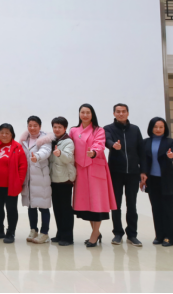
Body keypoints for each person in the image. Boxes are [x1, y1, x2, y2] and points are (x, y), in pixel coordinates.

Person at [70, 104, 117, 248]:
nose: (85, 115)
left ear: (92, 114)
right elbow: (70, 147)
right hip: (80, 169)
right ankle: (96, 232)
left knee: (97, 202)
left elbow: (99, 145)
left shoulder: (99, 130)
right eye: (82, 112)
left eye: (88, 112)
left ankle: (95, 233)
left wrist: (94, 152)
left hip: (95, 168)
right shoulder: (73, 130)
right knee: (87, 204)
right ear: (79, 114)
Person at [104, 103, 145, 247]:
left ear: (127, 113)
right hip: (115, 172)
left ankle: (132, 235)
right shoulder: (108, 128)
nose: (121, 114)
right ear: (114, 113)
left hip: (133, 173)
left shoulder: (135, 129)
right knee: (116, 205)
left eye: (123, 111)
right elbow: (107, 140)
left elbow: (141, 151)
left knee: (132, 205)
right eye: (118, 111)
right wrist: (113, 145)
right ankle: (118, 233)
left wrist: (143, 171)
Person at [141, 117, 173, 247]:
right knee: (156, 208)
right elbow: (143, 160)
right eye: (155, 127)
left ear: (165, 128)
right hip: (152, 180)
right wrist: (142, 174)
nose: (158, 129)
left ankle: (169, 237)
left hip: (167, 180)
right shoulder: (146, 142)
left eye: (161, 127)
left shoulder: (169, 141)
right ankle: (159, 235)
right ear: (151, 128)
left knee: (167, 209)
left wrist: (171, 156)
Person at [0, 124, 27, 244]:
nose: (4, 135)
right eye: (1, 132)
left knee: (11, 209)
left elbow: (23, 166)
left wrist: (19, 182)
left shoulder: (17, 147)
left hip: (11, 185)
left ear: (12, 134)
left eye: (7, 133)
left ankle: (11, 232)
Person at [20, 116, 53, 245]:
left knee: (43, 207)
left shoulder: (45, 139)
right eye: (30, 125)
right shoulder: (24, 140)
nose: (32, 128)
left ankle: (44, 233)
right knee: (31, 206)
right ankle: (33, 230)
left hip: (41, 179)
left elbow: (46, 151)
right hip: (28, 178)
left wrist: (37, 157)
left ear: (40, 126)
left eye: (35, 125)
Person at [49, 116, 76, 246]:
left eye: (60, 127)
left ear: (65, 128)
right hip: (54, 178)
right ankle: (60, 233)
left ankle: (67, 237)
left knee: (65, 209)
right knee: (57, 208)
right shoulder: (53, 140)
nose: (57, 129)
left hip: (65, 179)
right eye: (55, 127)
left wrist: (60, 154)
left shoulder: (68, 141)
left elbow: (68, 158)